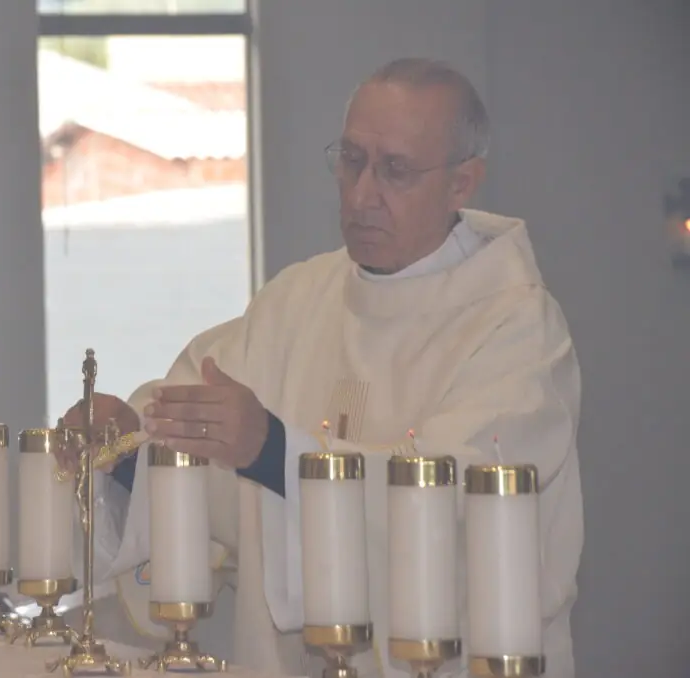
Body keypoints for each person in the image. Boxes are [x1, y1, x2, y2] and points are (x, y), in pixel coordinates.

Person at [58, 58, 583, 678]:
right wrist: (126, 450)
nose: (362, 193)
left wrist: (276, 451)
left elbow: (461, 510)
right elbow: (208, 471)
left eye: (395, 170)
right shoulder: (297, 300)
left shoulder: (516, 327)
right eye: (351, 159)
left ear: (463, 183)